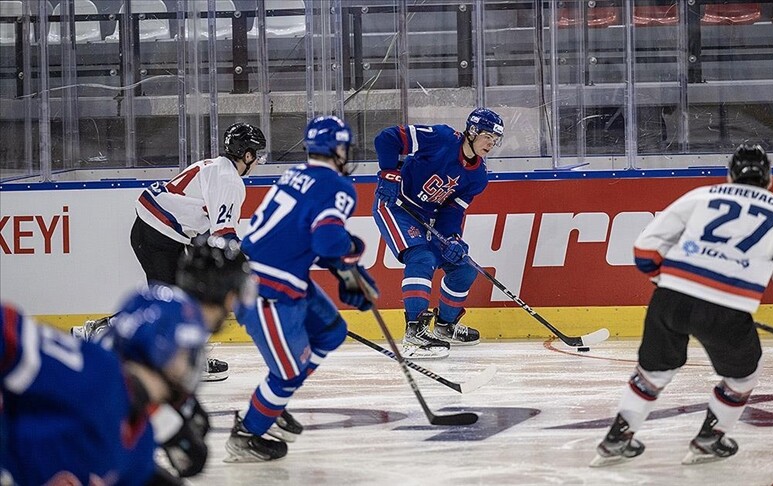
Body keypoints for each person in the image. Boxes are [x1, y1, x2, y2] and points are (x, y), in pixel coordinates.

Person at [590, 143, 773, 468]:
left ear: (730, 175)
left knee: (653, 371)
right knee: (742, 378)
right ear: (769, 180)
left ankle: (616, 439)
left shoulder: (701, 197)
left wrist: (664, 280)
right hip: (727, 309)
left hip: (671, 299)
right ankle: (711, 438)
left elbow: (644, 250)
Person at [225, 115, 377, 463]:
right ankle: (246, 434)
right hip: (265, 291)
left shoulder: (295, 174)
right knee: (288, 373)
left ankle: (273, 403)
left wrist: (346, 270)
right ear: (338, 149)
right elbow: (326, 241)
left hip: (279, 279)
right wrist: (350, 261)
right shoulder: (339, 186)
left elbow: (308, 236)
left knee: (331, 331)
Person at [73, 122, 267, 381]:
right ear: (247, 155)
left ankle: (187, 354)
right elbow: (224, 234)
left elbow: (206, 228)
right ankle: (98, 332)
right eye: (258, 155)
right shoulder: (230, 180)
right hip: (158, 236)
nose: (257, 162)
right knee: (177, 302)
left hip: (155, 232)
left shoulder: (214, 166)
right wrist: (248, 267)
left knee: (182, 299)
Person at [0, 293, 210, 485]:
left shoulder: (141, 442)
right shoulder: (95, 369)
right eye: (184, 353)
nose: (189, 363)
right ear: (160, 347)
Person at [372, 108, 505, 359]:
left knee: (463, 267)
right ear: (473, 130)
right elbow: (386, 138)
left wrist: (452, 238)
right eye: (488, 136)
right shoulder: (442, 137)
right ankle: (415, 331)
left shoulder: (478, 177)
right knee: (422, 258)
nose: (491, 143)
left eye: (495, 139)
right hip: (395, 205)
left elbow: (452, 212)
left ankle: (445, 326)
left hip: (428, 218)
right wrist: (389, 173)